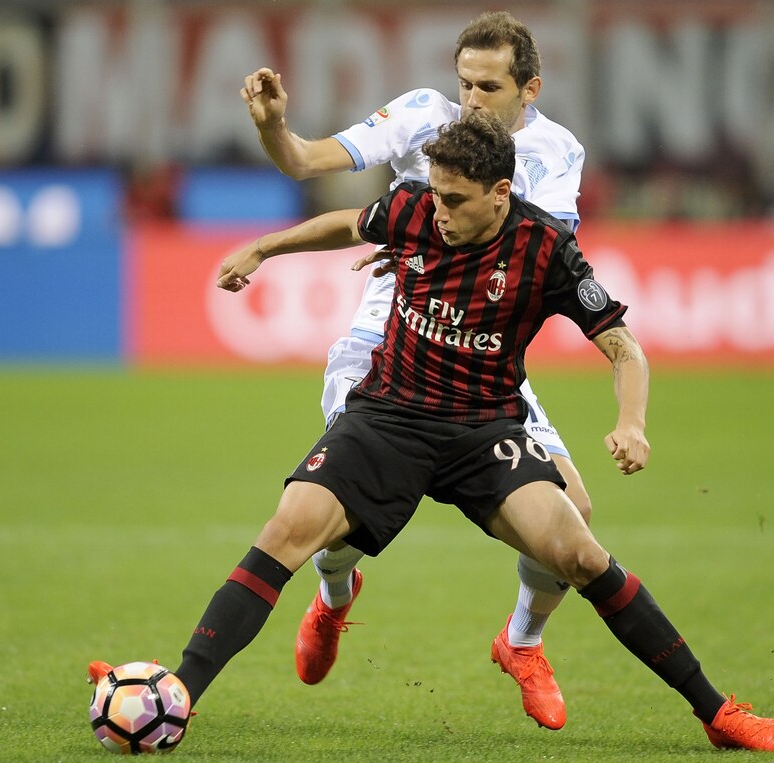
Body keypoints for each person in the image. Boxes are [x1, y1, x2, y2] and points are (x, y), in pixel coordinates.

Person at [91, 112, 774, 753]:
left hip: (482, 430)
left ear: (501, 193)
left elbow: (624, 348)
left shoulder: (547, 249)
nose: (440, 211)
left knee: (581, 553)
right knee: (286, 529)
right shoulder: (413, 208)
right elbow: (347, 223)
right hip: (388, 416)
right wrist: (265, 248)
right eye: (434, 195)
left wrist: (632, 422)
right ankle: (179, 692)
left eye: (456, 200)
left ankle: (717, 713)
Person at [240, 11, 588, 730]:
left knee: (575, 514)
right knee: (332, 512)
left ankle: (522, 641)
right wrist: (275, 128)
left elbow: (533, 246)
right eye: (464, 83)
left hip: (482, 359)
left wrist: (418, 238)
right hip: (386, 344)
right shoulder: (422, 115)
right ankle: (334, 597)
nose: (471, 101)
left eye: (489, 87)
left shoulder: (558, 152)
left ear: (530, 89)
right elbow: (304, 161)